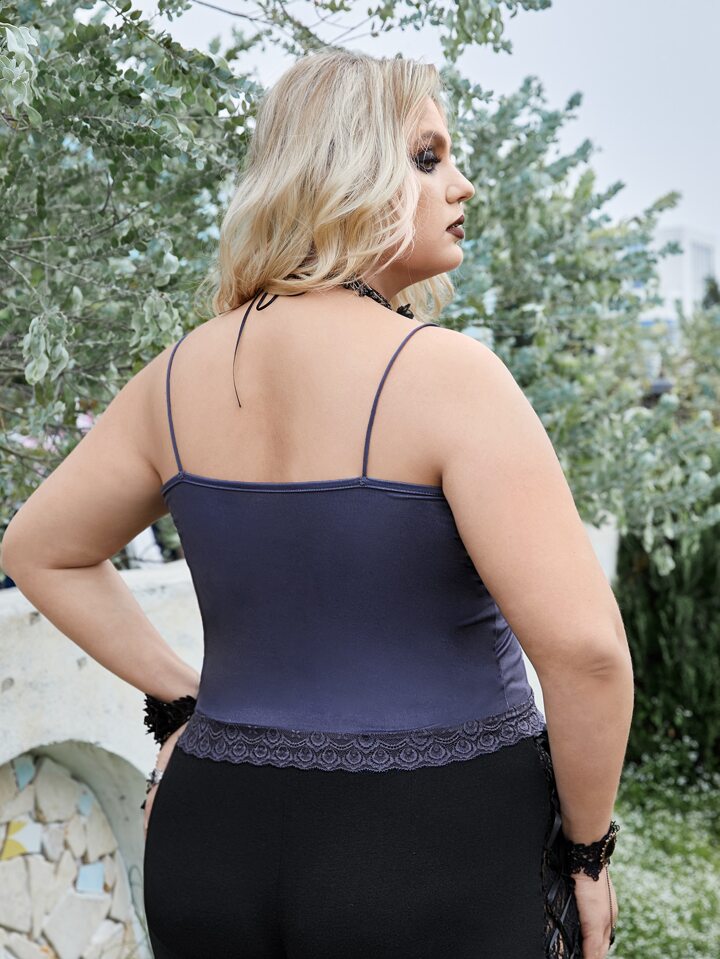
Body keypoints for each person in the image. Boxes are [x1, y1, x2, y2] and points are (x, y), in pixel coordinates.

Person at [2, 48, 634, 959]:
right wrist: (586, 849)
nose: (461, 184)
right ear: (346, 172)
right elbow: (587, 653)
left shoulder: (175, 377)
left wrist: (186, 700)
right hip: (438, 851)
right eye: (427, 157)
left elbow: (38, 548)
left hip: (210, 843)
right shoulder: (451, 377)